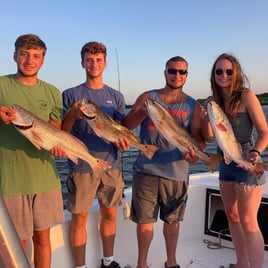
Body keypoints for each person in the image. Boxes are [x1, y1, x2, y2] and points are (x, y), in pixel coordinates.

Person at [123, 56, 210, 268]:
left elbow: (199, 140)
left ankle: (171, 262)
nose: (177, 75)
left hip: (177, 171)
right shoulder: (148, 97)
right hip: (146, 170)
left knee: (172, 221)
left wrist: (196, 154)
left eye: (182, 72)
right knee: (144, 222)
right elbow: (126, 127)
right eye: (172, 71)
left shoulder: (193, 105)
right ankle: (141, 263)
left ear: (187, 75)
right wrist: (141, 112)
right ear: (165, 72)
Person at [0, 34, 64, 267]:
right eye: (24, 54)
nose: (29, 60)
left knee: (43, 238)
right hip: (10, 181)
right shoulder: (1, 84)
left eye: (36, 56)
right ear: (15, 55)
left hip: (45, 179)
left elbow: (56, 131)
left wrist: (60, 148)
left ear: (43, 60)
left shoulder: (53, 92)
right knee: (17, 244)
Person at [62, 41, 126, 268]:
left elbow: (118, 129)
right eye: (89, 59)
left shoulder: (116, 96)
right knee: (79, 218)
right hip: (81, 166)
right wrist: (72, 115)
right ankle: (80, 266)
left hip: (111, 165)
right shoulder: (70, 94)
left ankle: (108, 262)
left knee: (110, 215)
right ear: (82, 63)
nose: (94, 64)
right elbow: (63, 132)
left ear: (106, 63)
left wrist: (124, 141)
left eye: (99, 60)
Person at [203, 53, 268, 268]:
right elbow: (211, 137)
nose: (224, 75)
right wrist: (206, 121)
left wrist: (256, 154)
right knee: (232, 216)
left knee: (249, 222)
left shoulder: (247, 96)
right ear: (214, 75)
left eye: (229, 71)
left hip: (247, 159)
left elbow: (264, 132)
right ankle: (241, 263)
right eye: (219, 71)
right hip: (225, 162)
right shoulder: (212, 101)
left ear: (236, 73)